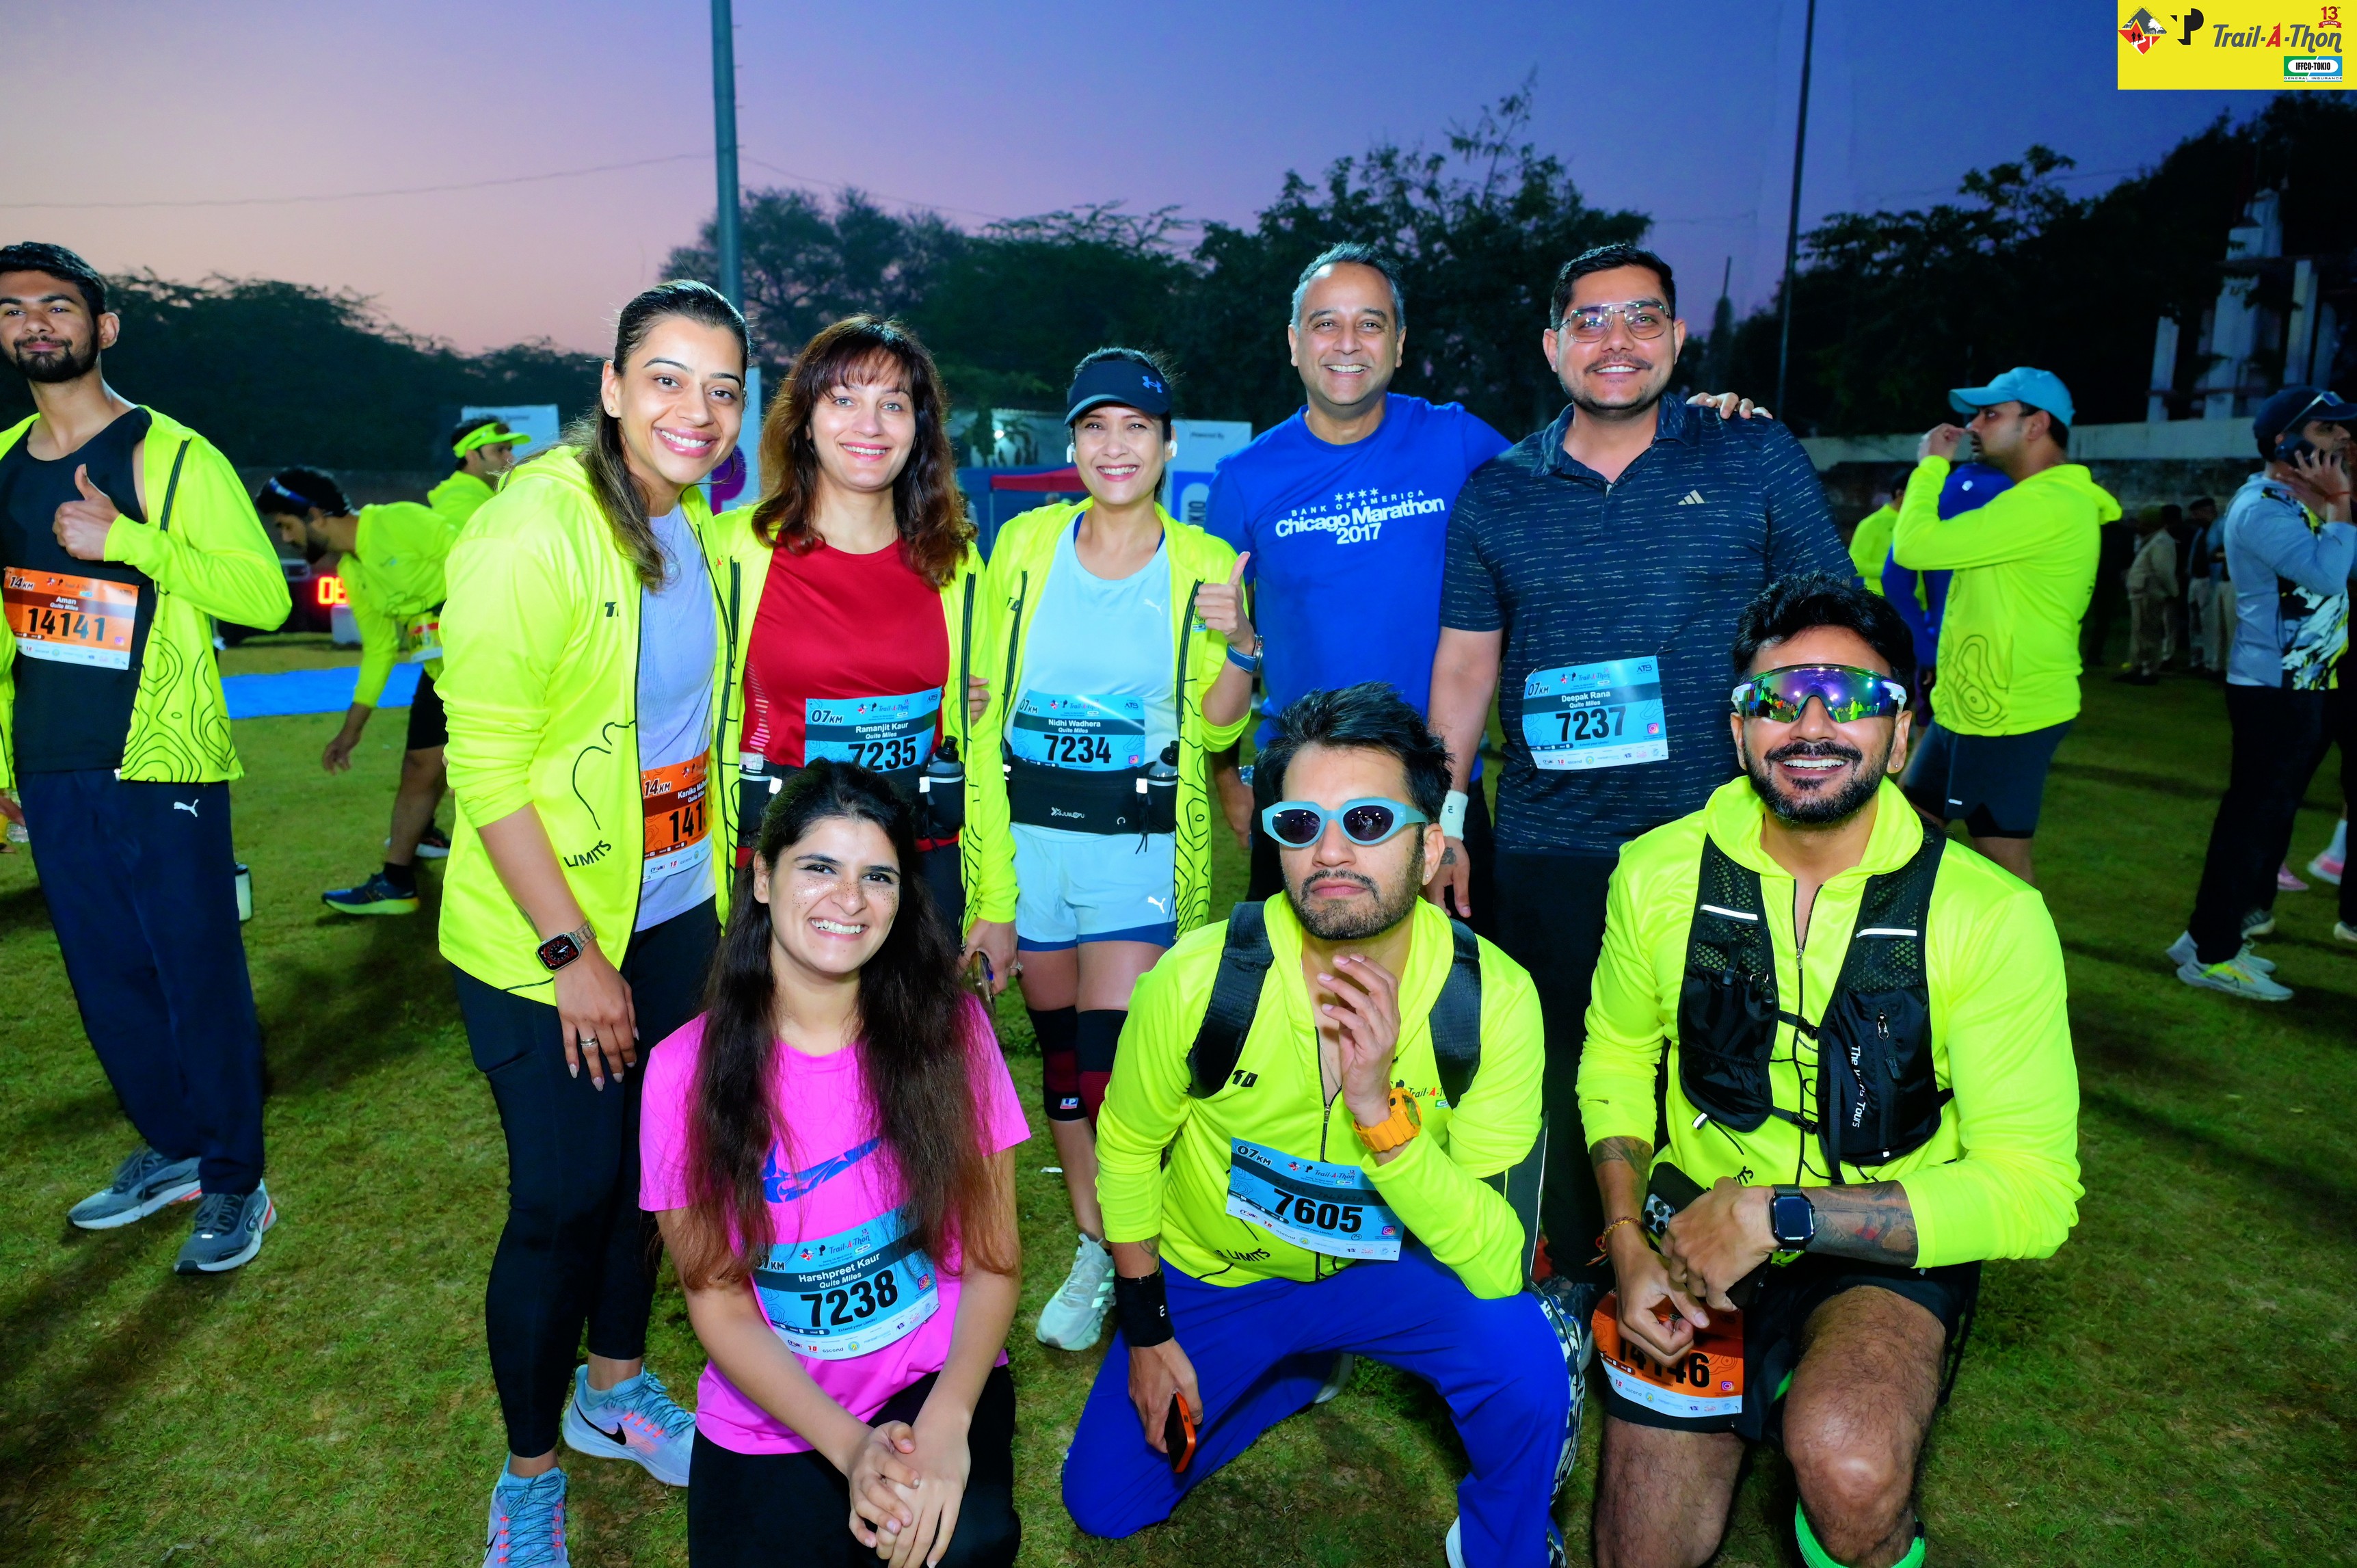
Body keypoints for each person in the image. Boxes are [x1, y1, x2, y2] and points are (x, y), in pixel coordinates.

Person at [1580, 572, 2081, 1568]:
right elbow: (1618, 1054)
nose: (1811, 725)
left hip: (1882, 1239)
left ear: (1900, 735)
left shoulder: (1990, 915)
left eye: (1851, 698)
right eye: (1777, 698)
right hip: (1692, 1217)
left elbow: (2032, 1191)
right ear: (1739, 731)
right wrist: (1628, 1239)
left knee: (1850, 1463)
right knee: (1637, 1553)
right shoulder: (1656, 870)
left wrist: (1776, 1216)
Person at [1063, 682, 1582, 1568]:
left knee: (1523, 1360)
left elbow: (1498, 1260)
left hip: (1394, 1271)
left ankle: (1503, 1542)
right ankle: (1298, 1369)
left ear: (1430, 847)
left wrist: (1380, 1117)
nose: (1330, 852)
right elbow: (1128, 1146)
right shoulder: (1198, 981)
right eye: (1300, 825)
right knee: (1106, 1501)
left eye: (1368, 821)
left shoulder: (1491, 999)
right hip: (1219, 1277)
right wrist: (1146, 1330)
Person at [1426, 241, 1850, 1286]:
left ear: (1676, 336)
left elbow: (1831, 626)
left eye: (1640, 317)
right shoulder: (1496, 494)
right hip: (1551, 848)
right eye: (1589, 320)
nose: (1614, 341)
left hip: (1724, 837)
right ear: (1551, 345)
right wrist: (1443, 816)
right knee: (1564, 1070)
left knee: (1725, 1068)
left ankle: (1726, 1277)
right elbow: (1465, 667)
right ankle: (1579, 1278)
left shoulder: (1749, 454)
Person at [438, 280, 747, 1564]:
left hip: (674, 909)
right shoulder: (531, 529)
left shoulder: (696, 528)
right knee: (564, 1196)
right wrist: (572, 954)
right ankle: (526, 1472)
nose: (696, 410)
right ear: (612, 387)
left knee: (652, 1174)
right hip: (547, 937)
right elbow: (484, 766)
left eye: (723, 388)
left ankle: (613, 1385)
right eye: (666, 378)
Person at [641, 761, 1026, 1568]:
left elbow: (994, 1259)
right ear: (762, 877)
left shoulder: (953, 1033)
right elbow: (718, 1301)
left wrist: (949, 1420)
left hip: (933, 1378)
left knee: (961, 1543)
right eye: (820, 866)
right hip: (776, 1411)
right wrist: (850, 1447)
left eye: (876, 876)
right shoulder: (683, 1072)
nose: (849, 900)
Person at [0, 240, 291, 1273]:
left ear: (103, 326)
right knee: (105, 978)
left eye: (56, 305)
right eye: (13, 309)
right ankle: (176, 1150)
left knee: (195, 972)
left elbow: (264, 596)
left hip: (161, 761)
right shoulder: (1, 459)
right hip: (51, 761)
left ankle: (236, 1179)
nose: (35, 323)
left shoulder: (172, 455)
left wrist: (129, 540)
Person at [970, 348, 1255, 1353]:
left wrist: (1242, 645)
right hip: (1033, 851)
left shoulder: (1205, 562)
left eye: (1136, 427)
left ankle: (1148, 1254)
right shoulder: (1024, 544)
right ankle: (1099, 1244)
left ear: (1168, 445)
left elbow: (1216, 727)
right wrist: (989, 888)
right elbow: (984, 705)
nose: (1115, 446)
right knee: (1058, 1063)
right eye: (1096, 427)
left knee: (1112, 1071)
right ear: (1073, 443)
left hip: (1136, 852)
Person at [1200, 243, 1512, 921]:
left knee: (1451, 981)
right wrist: (1225, 776)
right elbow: (1213, 647)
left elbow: (1570, 473)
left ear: (1398, 343)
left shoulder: (1457, 441)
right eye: (1325, 323)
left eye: (1370, 324)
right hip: (1300, 787)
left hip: (1434, 788)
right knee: (1293, 980)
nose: (1347, 343)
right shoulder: (1244, 479)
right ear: (1294, 342)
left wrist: (1689, 420)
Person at [705, 315, 1009, 988]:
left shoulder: (955, 563)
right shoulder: (734, 551)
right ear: (805, 420)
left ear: (918, 428)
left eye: (892, 404)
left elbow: (978, 740)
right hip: (783, 869)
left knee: (914, 1050)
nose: (869, 425)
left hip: (919, 866)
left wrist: (997, 897)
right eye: (843, 399)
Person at [1891, 367, 2116, 887]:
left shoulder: (2051, 505)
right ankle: (1904, 932)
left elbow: (1915, 546)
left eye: (1991, 414)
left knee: (2003, 872)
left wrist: (1930, 466)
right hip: (1966, 706)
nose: (1974, 426)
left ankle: (2019, 947)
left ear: (2036, 425)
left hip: (2008, 716)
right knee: (1907, 834)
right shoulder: (2027, 500)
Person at [2168, 386, 2357, 1000]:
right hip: (2275, 691)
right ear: (2284, 441)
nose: (2341, 439)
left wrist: (2335, 503)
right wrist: (2341, 503)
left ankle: (2204, 938)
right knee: (2253, 824)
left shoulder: (2298, 503)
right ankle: (2213, 955)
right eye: (2326, 430)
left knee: (2256, 819)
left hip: (2301, 684)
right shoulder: (2261, 507)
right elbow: (2326, 575)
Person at [252, 467, 465, 914]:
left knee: (490, 778)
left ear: (315, 515)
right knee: (419, 766)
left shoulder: (398, 520)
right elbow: (380, 650)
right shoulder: (351, 569)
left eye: (286, 526)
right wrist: (351, 730)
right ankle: (396, 883)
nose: (286, 539)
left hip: (486, 666)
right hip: (439, 674)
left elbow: (479, 563)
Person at [435, 414, 530, 528]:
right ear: (472, 456)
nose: (511, 458)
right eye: (500, 450)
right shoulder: (459, 501)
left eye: (509, 449)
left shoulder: (476, 494)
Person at [2119, 508, 2179, 685]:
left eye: (2141, 523)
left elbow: (2164, 571)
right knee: (2140, 633)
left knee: (2148, 634)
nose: (2138, 526)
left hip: (2149, 593)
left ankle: (2149, 671)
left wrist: (2173, 592)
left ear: (2150, 524)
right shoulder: (2154, 540)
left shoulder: (2161, 542)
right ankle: (2137, 667)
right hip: (2142, 592)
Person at [2184, 495, 2226, 676]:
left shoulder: (2221, 526)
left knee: (2209, 624)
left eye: (2196, 514)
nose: (2194, 518)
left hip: (2211, 580)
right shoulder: (2202, 531)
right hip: (2197, 580)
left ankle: (2211, 663)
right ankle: (2197, 661)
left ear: (2205, 512)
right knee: (2195, 624)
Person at [1847, 481, 1899, 593]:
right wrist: (1890, 570)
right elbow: (1854, 564)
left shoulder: (1923, 523)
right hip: (1881, 598)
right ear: (1900, 493)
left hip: (1921, 599)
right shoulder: (1873, 523)